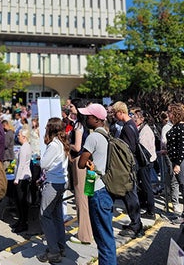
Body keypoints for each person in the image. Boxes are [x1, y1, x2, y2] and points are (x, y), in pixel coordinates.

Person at [78, 103, 117, 265]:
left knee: (102, 236)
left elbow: (81, 163)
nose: (86, 118)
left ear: (96, 119)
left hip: (98, 190)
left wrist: (87, 162)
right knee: (106, 234)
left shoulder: (93, 137)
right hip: (104, 188)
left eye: (88, 116)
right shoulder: (106, 134)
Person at [37, 117, 69, 263]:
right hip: (61, 182)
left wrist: (39, 160)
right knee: (56, 215)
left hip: (53, 183)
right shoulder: (61, 143)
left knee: (45, 216)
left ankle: (53, 250)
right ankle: (60, 246)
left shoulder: (54, 145)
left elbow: (44, 164)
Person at [111, 101, 144, 238]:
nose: (113, 116)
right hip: (129, 166)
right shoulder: (130, 125)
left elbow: (129, 149)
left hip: (128, 167)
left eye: (114, 113)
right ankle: (135, 223)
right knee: (129, 195)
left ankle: (136, 225)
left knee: (130, 196)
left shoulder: (128, 127)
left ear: (120, 112)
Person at [69, 98, 93, 245]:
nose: (69, 108)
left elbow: (77, 147)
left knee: (81, 199)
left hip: (80, 163)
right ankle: (89, 231)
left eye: (71, 106)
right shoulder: (89, 124)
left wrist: (67, 143)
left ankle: (84, 235)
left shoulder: (78, 125)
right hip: (90, 162)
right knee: (89, 197)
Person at [132, 108, 157, 219]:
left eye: (135, 117)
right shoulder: (140, 128)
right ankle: (144, 204)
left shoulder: (146, 130)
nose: (133, 119)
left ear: (142, 119)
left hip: (145, 162)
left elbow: (144, 149)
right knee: (143, 185)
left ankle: (151, 210)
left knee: (147, 186)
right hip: (143, 162)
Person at [13, 127, 32, 233]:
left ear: (24, 137)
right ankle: (21, 220)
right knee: (20, 202)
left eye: (19, 135)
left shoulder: (25, 148)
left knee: (22, 202)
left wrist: (16, 179)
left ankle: (23, 222)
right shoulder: (25, 146)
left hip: (22, 177)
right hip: (22, 176)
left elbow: (21, 164)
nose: (18, 137)